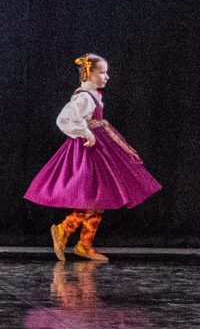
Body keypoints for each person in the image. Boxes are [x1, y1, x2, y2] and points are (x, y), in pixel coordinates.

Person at [24, 53, 160, 262]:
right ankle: (64, 230)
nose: (107, 77)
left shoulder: (94, 95)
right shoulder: (84, 97)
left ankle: (83, 243)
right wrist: (86, 133)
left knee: (98, 198)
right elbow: (65, 119)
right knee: (91, 197)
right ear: (89, 74)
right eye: (102, 72)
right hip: (87, 149)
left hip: (99, 148)